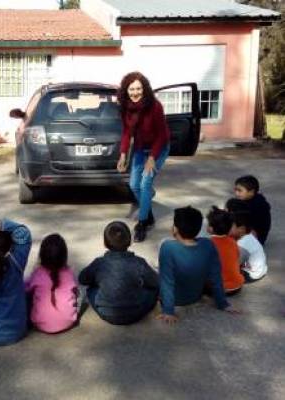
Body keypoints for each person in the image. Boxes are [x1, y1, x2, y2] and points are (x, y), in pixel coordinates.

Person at [157, 206, 238, 324]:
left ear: (175, 229)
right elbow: (216, 277)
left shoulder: (168, 247)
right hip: (195, 296)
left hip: (176, 300)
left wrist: (168, 311)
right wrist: (223, 303)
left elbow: (167, 281)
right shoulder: (208, 244)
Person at [117, 71, 170, 243]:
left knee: (145, 183)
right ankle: (149, 214)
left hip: (159, 148)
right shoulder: (126, 107)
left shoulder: (155, 106)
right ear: (126, 90)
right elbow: (126, 132)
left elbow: (162, 135)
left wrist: (153, 157)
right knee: (134, 185)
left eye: (138, 88)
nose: (135, 92)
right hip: (140, 148)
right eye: (131, 89)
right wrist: (123, 155)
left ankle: (142, 223)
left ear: (144, 89)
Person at [79, 221, 159, 325]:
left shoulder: (99, 263)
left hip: (106, 312)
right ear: (129, 242)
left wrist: (100, 279)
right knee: (153, 291)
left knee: (90, 290)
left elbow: (82, 279)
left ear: (104, 243)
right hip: (135, 313)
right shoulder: (139, 262)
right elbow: (155, 282)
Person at [25, 234, 78, 333]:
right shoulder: (69, 273)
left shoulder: (38, 273)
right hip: (68, 322)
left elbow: (25, 288)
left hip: (40, 324)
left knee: (29, 295)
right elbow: (76, 292)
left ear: (41, 255)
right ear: (64, 256)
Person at [206, 206, 244, 295]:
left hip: (219, 289)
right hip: (237, 287)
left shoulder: (207, 244)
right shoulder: (233, 241)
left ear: (211, 228)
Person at [229, 211, 268, 283]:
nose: (228, 229)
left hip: (251, 274)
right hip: (261, 269)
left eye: (231, 227)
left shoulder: (242, 244)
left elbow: (234, 264)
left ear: (241, 229)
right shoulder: (248, 235)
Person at [233, 175, 271, 245]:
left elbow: (249, 223)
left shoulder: (258, 205)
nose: (236, 193)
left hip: (257, 237)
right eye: (235, 190)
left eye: (240, 191)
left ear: (251, 192)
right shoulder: (245, 200)